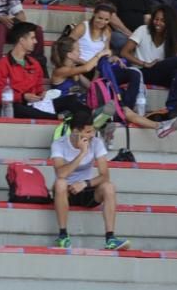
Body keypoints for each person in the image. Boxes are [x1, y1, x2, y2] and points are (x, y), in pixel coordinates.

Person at [64, 8, 177, 139]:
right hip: (91, 68)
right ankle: (156, 122)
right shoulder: (83, 28)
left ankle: (169, 113)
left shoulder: (107, 31)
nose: (102, 22)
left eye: (106, 19)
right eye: (100, 18)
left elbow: (106, 54)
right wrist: (95, 60)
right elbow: (69, 49)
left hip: (100, 68)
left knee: (170, 73)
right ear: (94, 16)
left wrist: (112, 58)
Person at [50, 108, 131, 251]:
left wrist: (84, 183)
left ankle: (110, 238)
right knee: (60, 183)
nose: (92, 135)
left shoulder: (96, 142)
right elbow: (61, 173)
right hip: (66, 191)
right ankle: (63, 235)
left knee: (109, 186)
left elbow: (105, 175)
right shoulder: (59, 144)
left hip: (87, 188)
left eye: (93, 131)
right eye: (88, 132)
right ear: (76, 132)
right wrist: (82, 153)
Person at [0, 22, 74, 120]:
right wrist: (22, 97)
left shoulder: (35, 64)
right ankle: (56, 117)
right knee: (15, 107)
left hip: (36, 104)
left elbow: (39, 89)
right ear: (21, 40)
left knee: (72, 100)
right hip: (19, 105)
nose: (36, 42)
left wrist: (42, 94)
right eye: (32, 38)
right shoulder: (3, 64)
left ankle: (82, 125)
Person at [119, 5, 177, 88]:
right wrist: (145, 64)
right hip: (141, 72)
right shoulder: (143, 30)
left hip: (159, 74)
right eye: (156, 19)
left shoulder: (172, 38)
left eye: (162, 20)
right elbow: (124, 52)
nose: (158, 23)